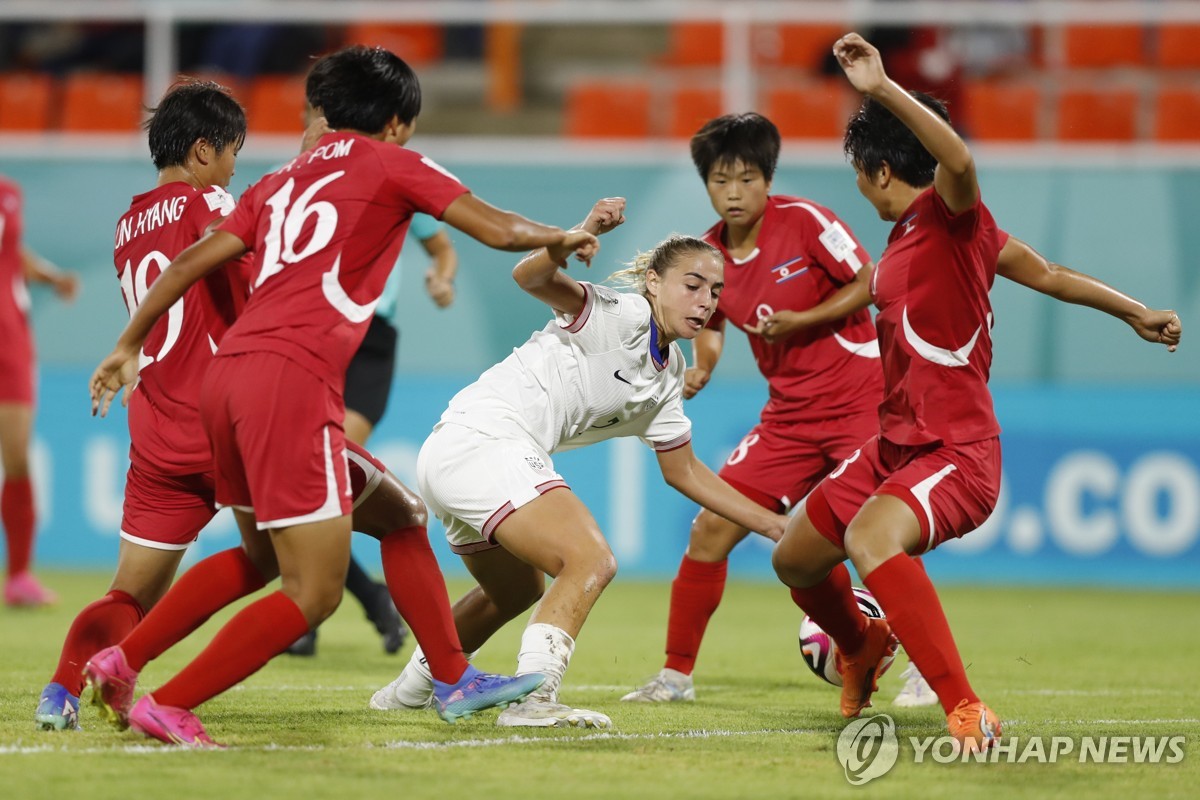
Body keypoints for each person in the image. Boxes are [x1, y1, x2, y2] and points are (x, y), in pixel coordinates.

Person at [86, 45, 595, 746]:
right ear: (397, 122)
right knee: (314, 592)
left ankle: (449, 676)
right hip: (290, 383)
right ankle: (168, 702)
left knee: (388, 518)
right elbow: (500, 230)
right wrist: (563, 235)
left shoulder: (277, 181)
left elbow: (192, 257)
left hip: (227, 383)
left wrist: (128, 343)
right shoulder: (391, 163)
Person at [770, 32, 1181, 754]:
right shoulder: (904, 244)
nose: (857, 185)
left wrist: (881, 88)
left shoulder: (953, 218)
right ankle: (863, 645)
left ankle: (965, 708)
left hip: (955, 451)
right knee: (796, 559)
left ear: (879, 170)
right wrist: (1135, 310)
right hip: (894, 444)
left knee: (870, 538)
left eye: (859, 172)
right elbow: (1048, 272)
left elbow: (958, 160)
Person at [370, 197, 789, 729]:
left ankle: (407, 692)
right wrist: (580, 231)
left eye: (715, 291)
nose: (706, 301)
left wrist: (774, 523)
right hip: (484, 439)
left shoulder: (667, 376)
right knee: (590, 560)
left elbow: (683, 471)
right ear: (654, 283)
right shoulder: (625, 315)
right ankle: (535, 700)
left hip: (457, 451)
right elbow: (530, 276)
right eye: (692, 284)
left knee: (517, 591)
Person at [617, 113, 884, 704]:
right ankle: (675, 677)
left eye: (746, 178)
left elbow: (871, 279)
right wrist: (705, 364)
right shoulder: (707, 255)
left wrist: (804, 319)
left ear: (768, 179)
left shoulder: (807, 222)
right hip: (788, 419)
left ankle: (911, 667)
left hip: (861, 405)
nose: (733, 192)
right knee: (711, 529)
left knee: (875, 536)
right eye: (719, 181)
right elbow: (710, 323)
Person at [287, 212, 458, 657]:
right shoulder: (308, 183)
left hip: (369, 338)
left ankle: (322, 611)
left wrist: (443, 279)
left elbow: (442, 248)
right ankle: (362, 601)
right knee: (306, 485)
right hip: (314, 330)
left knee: (322, 477)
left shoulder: (397, 183)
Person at [0, 174, 78, 608]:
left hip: (9, 341)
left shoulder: (10, 192)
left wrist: (49, 275)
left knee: (15, 456)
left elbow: (12, 253)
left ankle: (20, 577)